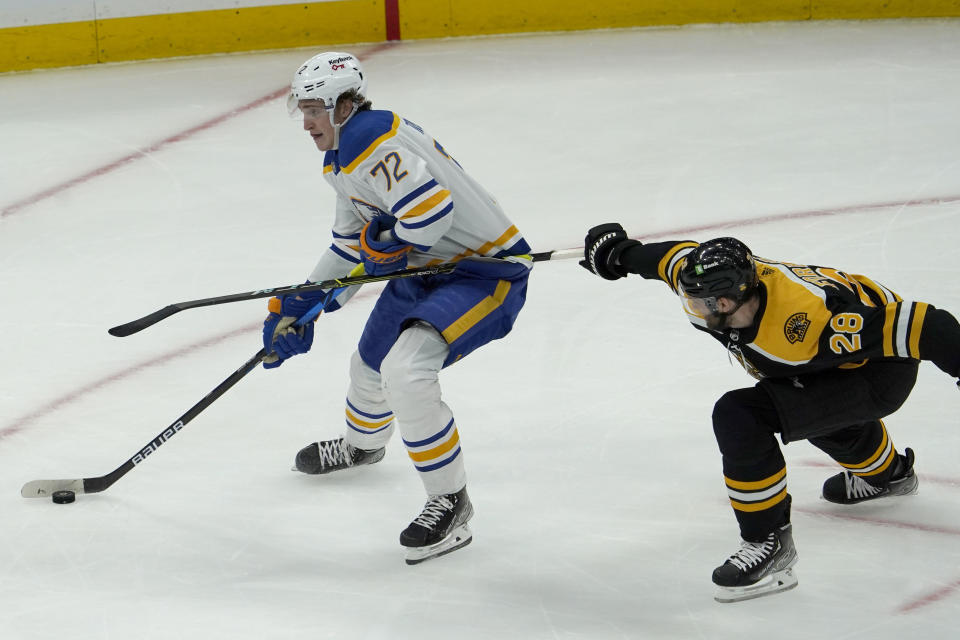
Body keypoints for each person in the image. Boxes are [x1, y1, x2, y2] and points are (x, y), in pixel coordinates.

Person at [579, 223, 960, 603]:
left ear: (732, 299)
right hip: (827, 363)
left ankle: (769, 544)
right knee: (807, 413)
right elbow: (671, 257)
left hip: (879, 370)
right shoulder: (706, 281)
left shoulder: (809, 322)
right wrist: (617, 254)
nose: (694, 311)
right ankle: (887, 475)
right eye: (691, 300)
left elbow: (929, 326)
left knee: (741, 415)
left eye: (703, 305)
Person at [262, 52, 532, 564]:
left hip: (484, 272)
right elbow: (350, 249)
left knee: (406, 371)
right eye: (302, 109)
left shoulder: (368, 136)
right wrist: (304, 303)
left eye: (315, 108)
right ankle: (363, 446)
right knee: (368, 367)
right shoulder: (342, 158)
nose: (307, 122)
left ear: (344, 105)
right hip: (427, 268)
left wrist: (386, 238)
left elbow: (429, 214)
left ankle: (450, 502)